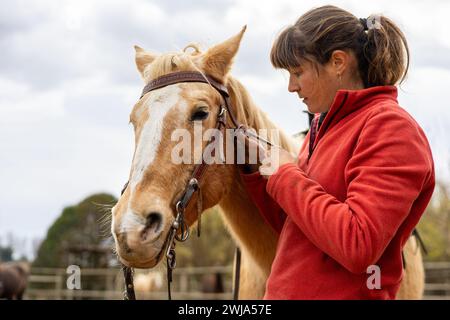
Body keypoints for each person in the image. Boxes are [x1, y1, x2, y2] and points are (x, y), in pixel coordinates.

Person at [238, 5, 435, 299]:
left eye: (297, 71)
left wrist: (283, 171)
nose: (291, 86)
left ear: (338, 62)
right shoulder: (324, 125)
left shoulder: (392, 129)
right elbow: (300, 228)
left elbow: (358, 244)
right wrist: (259, 169)